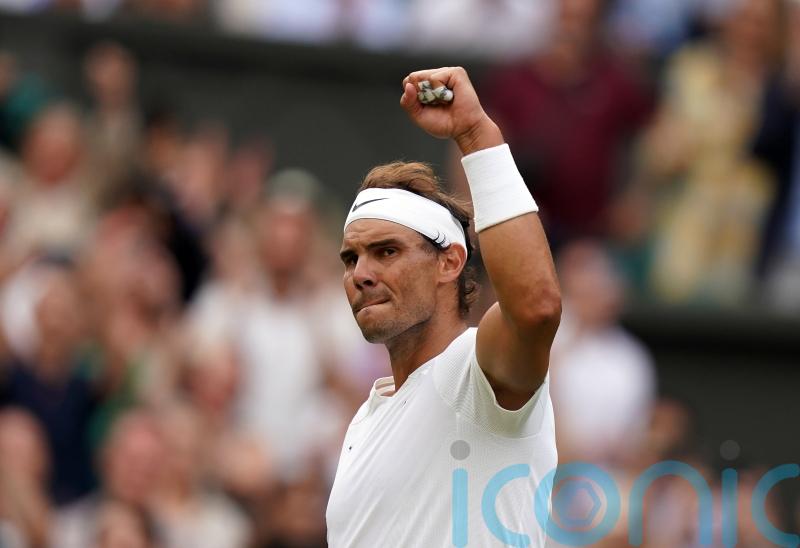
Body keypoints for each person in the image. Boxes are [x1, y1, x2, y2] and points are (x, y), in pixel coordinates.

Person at [326, 67, 561, 546]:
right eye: (351, 258)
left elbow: (536, 306)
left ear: (450, 262)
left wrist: (476, 134)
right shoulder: (367, 418)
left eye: (386, 251)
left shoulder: (473, 377)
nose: (361, 274)